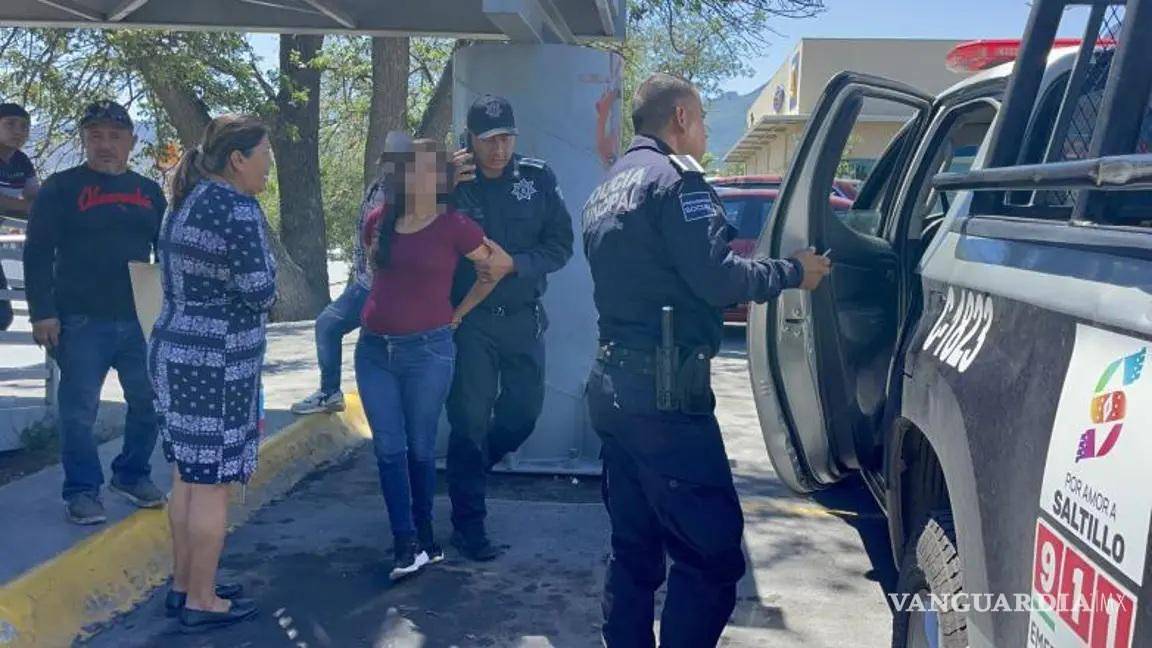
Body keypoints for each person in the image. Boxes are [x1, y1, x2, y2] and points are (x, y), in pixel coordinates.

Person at [582, 73, 831, 647]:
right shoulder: (679, 183)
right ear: (680, 119)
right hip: (666, 397)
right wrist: (795, 272)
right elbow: (718, 278)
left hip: (613, 388)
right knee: (712, 556)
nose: (705, 132)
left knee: (634, 550)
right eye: (702, 119)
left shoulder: (609, 185)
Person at [149, 114, 276, 632]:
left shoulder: (186, 199)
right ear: (238, 159)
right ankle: (203, 599)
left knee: (186, 477)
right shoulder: (237, 209)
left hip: (175, 350)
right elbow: (261, 290)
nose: (270, 167)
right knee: (212, 485)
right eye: (265, 156)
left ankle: (183, 586)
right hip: (217, 362)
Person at [356, 138, 504, 580]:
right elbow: (375, 273)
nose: (419, 176)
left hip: (429, 350)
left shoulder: (455, 226)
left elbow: (492, 269)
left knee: (420, 448)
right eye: (412, 168)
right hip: (374, 350)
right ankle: (405, 542)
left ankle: (423, 533)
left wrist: (456, 316)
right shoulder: (379, 221)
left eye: (428, 168)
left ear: (441, 177)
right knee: (388, 448)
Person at [23, 100, 168, 525]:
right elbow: (36, 252)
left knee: (150, 401)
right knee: (79, 411)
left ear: (131, 141)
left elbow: (168, 251)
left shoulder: (147, 191)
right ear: (85, 140)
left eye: (114, 136)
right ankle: (83, 491)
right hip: (80, 319)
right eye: (95, 136)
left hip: (140, 317)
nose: (105, 145)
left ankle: (131, 473)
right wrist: (42, 312)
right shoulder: (61, 187)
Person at [445, 94, 574, 561]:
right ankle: (469, 524)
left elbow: (560, 246)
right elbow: (402, 222)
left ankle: (470, 474)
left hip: (522, 319)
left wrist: (515, 265)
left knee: (522, 416)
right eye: (488, 140)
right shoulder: (451, 182)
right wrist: (434, 183)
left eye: (506, 138)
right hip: (471, 323)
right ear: (470, 139)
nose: (499, 149)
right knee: (469, 422)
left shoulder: (537, 180)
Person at [290, 130, 415, 415]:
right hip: (365, 281)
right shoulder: (380, 185)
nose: (394, 165)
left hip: (381, 287)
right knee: (331, 327)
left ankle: (334, 392)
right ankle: (331, 391)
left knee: (336, 328)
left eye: (402, 160)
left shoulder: (410, 194)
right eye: (391, 159)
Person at [0, 102, 39, 331]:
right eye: (10, 124)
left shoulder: (22, 162)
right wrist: (21, 205)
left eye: (24, 126)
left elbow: (37, 199)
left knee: (2, 316)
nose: (18, 131)